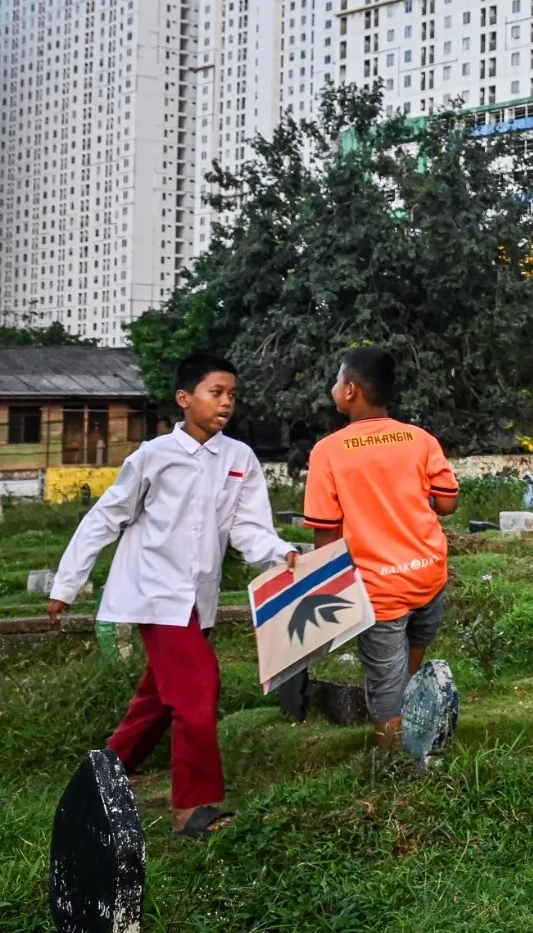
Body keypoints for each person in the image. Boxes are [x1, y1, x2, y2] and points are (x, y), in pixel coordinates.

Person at [48, 353, 300, 837]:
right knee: (198, 689)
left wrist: (280, 553)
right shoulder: (153, 456)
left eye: (232, 395)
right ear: (185, 400)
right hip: (152, 592)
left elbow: (249, 528)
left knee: (160, 699)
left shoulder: (239, 458)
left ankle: (104, 774)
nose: (226, 402)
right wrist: (67, 583)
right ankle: (191, 807)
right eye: (215, 393)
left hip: (195, 596)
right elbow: (105, 517)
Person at [303, 347, 461, 748]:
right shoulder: (420, 439)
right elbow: (447, 502)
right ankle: (412, 718)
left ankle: (393, 769)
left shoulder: (328, 451)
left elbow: (325, 536)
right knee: (412, 654)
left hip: (379, 589)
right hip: (429, 572)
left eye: (337, 381)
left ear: (351, 390)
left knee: (386, 689)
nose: (334, 388)